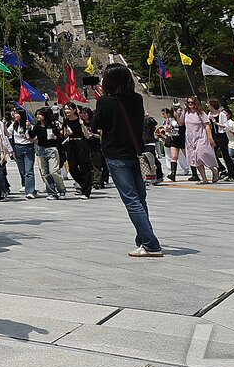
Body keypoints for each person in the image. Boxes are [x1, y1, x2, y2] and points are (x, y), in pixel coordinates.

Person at [91, 65, 161, 257]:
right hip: (135, 153)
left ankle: (151, 244)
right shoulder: (137, 99)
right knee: (140, 198)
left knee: (131, 200)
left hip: (115, 155)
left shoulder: (105, 101)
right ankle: (143, 239)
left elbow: (96, 125)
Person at [182, 97, 219, 184]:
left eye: (192, 102)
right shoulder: (186, 113)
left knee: (201, 156)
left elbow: (207, 126)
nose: (190, 104)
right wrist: (176, 115)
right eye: (188, 102)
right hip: (190, 139)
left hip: (201, 137)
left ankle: (214, 170)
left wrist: (210, 138)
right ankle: (204, 178)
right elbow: (181, 123)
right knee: (196, 159)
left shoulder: (201, 113)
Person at [32, 107, 67, 199]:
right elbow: (32, 136)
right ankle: (51, 192)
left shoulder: (52, 126)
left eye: (40, 114)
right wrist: (28, 129)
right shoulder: (37, 127)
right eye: (37, 114)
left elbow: (59, 139)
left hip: (51, 149)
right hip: (42, 150)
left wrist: (55, 137)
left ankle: (61, 190)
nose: (38, 116)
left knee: (54, 171)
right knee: (45, 173)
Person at [61, 103, 95, 196]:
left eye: (69, 109)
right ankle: (85, 184)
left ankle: (86, 192)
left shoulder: (80, 121)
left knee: (84, 167)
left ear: (74, 110)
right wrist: (67, 133)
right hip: (71, 144)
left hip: (81, 144)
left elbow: (87, 136)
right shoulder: (66, 121)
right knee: (72, 168)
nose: (67, 111)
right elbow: (64, 134)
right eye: (66, 109)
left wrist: (82, 125)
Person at [6, 108, 37, 198]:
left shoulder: (27, 124)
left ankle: (30, 191)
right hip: (17, 148)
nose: (15, 115)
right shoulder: (14, 125)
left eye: (17, 114)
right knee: (22, 170)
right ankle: (26, 186)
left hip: (28, 148)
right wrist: (3, 127)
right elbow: (7, 133)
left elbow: (33, 137)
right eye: (15, 114)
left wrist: (29, 129)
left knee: (29, 170)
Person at [208, 99, 234, 181]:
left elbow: (226, 126)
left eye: (208, 104)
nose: (207, 105)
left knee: (226, 155)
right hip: (214, 136)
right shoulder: (209, 114)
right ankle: (221, 168)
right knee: (211, 154)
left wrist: (216, 123)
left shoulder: (221, 114)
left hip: (221, 136)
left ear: (212, 105)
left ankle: (232, 175)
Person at [80, 107, 109, 189]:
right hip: (85, 146)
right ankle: (92, 180)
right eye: (82, 113)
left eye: (85, 113)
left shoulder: (94, 123)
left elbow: (101, 136)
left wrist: (92, 134)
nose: (83, 115)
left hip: (95, 146)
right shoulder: (81, 124)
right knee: (88, 165)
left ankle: (97, 181)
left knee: (96, 165)